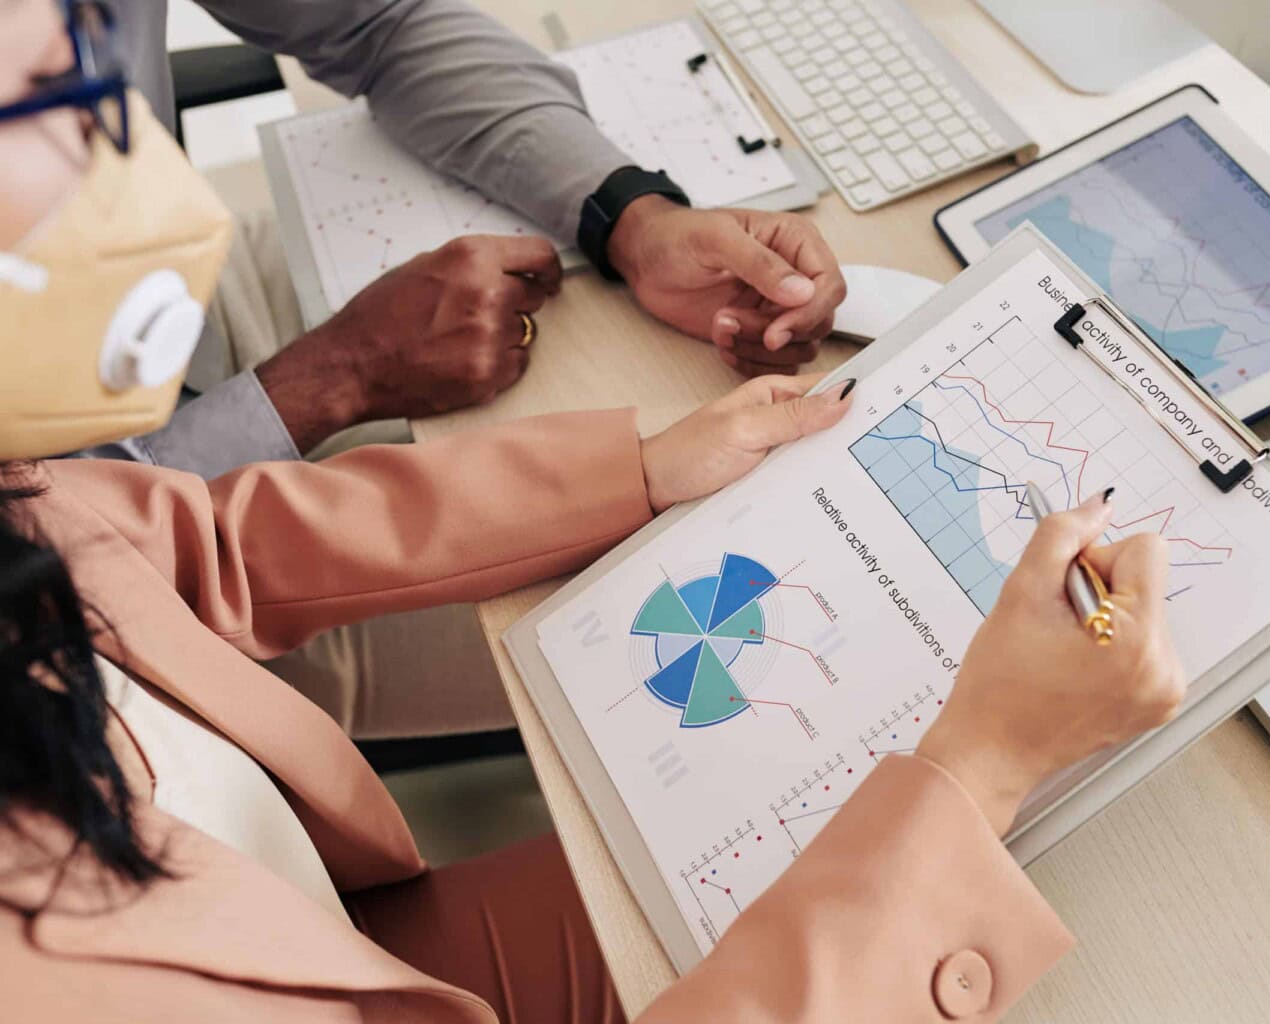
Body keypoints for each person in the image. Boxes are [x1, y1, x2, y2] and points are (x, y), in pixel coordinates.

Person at [0, 2, 1186, 1020]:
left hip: (309, 922)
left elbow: (179, 542)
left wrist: (645, 469)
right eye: (56, 88)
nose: (131, 159)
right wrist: (984, 763)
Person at [80, 0, 852, 737]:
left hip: (196, 305)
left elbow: (379, 19)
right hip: (132, 604)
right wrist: (335, 378)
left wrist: (630, 218)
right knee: (733, 603)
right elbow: (66, 544)